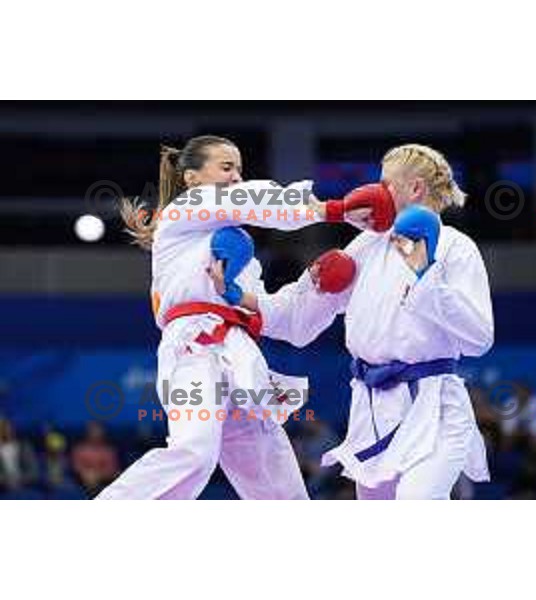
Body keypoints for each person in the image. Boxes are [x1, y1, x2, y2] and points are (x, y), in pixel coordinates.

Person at [97, 135, 385, 500]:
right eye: (226, 167)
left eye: (240, 170)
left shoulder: (245, 264)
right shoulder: (180, 215)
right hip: (192, 349)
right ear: (192, 178)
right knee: (194, 453)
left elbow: (284, 320)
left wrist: (318, 289)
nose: (236, 177)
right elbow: (249, 198)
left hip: (241, 356)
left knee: (280, 488)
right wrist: (335, 209)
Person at [216, 144, 494, 499]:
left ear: (416, 189)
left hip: (433, 406)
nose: (377, 192)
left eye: (386, 184)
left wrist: (427, 278)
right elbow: (300, 318)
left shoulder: (456, 248)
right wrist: (241, 297)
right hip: (372, 407)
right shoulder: (366, 245)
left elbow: (480, 338)